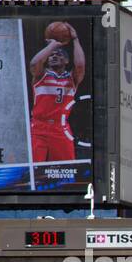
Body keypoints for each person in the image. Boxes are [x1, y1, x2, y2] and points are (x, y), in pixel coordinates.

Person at [29, 24, 86, 163]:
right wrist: (52, 46)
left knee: (67, 170)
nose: (53, 57)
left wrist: (76, 40)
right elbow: (34, 63)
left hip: (60, 127)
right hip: (38, 127)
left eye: (58, 55)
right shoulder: (41, 75)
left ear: (66, 60)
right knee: (33, 169)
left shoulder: (71, 79)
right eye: (51, 56)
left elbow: (80, 65)